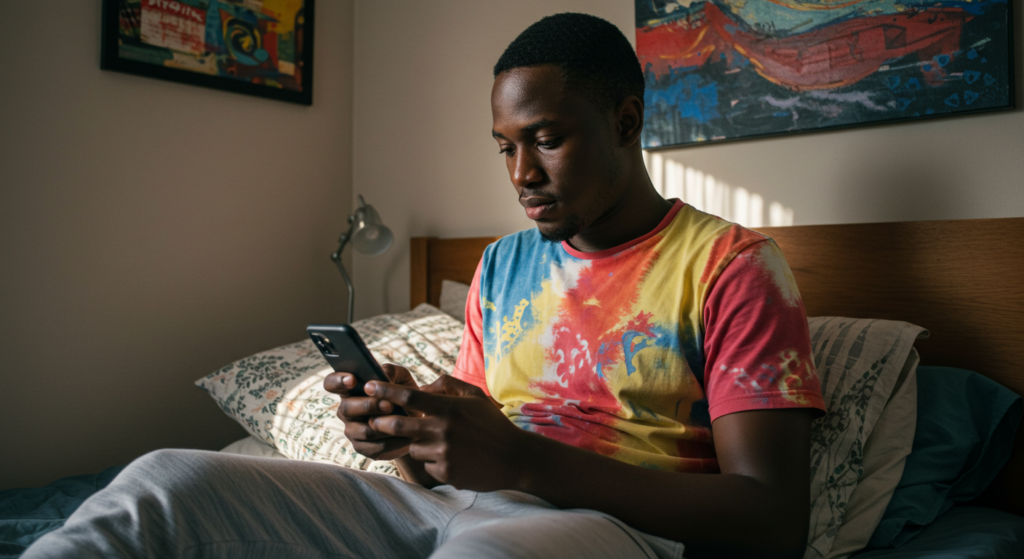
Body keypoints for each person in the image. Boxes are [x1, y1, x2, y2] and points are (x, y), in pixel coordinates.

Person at [23, 12, 824, 559]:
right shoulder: (503, 266)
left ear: (625, 120)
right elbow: (456, 461)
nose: (521, 174)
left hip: (610, 528)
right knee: (169, 477)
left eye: (546, 140)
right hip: (458, 504)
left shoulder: (732, 268)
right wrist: (408, 440)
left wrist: (522, 460)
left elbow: (772, 520)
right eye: (504, 147)